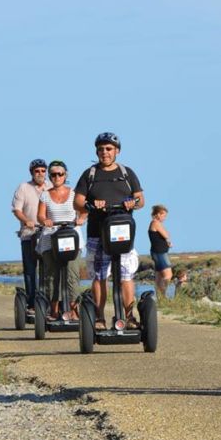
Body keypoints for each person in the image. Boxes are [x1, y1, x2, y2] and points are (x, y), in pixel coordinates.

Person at [74, 132, 145, 330]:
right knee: (99, 275)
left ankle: (129, 318)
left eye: (109, 149)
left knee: (126, 275)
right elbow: (77, 202)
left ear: (117, 151)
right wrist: (91, 204)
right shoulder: (90, 174)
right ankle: (99, 318)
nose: (104, 152)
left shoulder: (126, 173)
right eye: (101, 149)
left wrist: (133, 203)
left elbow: (141, 199)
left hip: (123, 232)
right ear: (96, 151)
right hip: (98, 232)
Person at [36, 160, 87, 321]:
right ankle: (54, 310)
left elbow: (84, 210)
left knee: (72, 274)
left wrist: (81, 219)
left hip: (71, 238)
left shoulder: (74, 193)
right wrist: (45, 221)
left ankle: (74, 309)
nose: (57, 177)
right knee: (52, 276)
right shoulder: (45, 194)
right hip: (51, 237)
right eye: (53, 174)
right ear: (49, 176)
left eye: (60, 174)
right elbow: (40, 215)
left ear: (66, 175)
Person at [12, 158, 48, 313]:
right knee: (30, 270)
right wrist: (26, 221)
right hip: (29, 234)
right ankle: (32, 303)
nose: (40, 173)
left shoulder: (52, 187)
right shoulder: (24, 188)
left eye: (42, 170)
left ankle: (48, 302)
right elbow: (17, 209)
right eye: (37, 171)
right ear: (32, 173)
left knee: (48, 270)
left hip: (47, 234)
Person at [148, 204, 173, 299]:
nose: (164, 218)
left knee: (159, 277)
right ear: (158, 214)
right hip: (160, 253)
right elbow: (166, 235)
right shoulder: (156, 223)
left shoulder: (155, 223)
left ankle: (159, 298)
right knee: (168, 275)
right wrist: (166, 237)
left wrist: (167, 243)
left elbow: (160, 238)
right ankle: (163, 296)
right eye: (163, 215)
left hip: (157, 252)